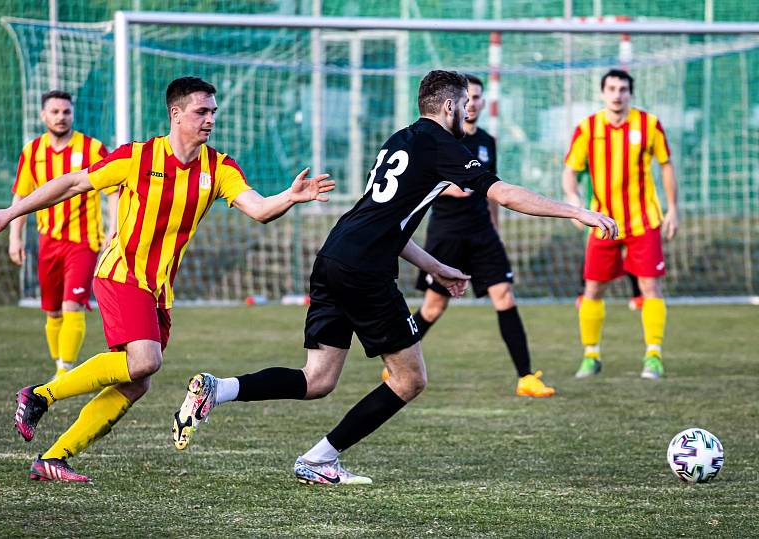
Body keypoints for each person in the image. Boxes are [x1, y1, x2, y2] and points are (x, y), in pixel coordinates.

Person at [172, 70, 617, 486]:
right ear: (448, 108)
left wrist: (437, 268)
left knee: (318, 379)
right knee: (409, 379)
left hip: (334, 254)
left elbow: (388, 221)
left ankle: (219, 389)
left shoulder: (402, 140)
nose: (469, 113)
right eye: (465, 105)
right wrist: (578, 211)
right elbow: (505, 193)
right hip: (364, 270)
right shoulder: (443, 145)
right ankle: (319, 459)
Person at [0, 76, 335, 482]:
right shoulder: (139, 157)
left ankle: (54, 458)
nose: (210, 120)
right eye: (202, 111)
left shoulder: (219, 168)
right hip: (120, 274)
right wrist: (12, 212)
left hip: (158, 290)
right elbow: (73, 183)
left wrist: (289, 196)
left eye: (213, 112)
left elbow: (259, 208)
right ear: (176, 114)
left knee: (136, 382)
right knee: (145, 360)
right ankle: (40, 395)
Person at [401, 74, 554, 398]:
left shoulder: (487, 141)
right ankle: (398, 362)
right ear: (453, 104)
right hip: (447, 234)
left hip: (483, 233)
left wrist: (496, 227)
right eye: (467, 98)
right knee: (432, 309)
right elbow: (421, 184)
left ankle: (526, 377)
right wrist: (447, 188)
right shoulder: (440, 139)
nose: (472, 104)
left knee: (505, 297)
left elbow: (492, 191)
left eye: (478, 98)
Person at [563, 69, 679, 380]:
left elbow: (666, 165)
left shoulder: (649, 124)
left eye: (623, 89)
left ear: (630, 93)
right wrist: (574, 204)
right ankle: (591, 355)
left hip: (644, 221)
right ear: (603, 93)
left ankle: (653, 356)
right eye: (612, 88)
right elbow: (570, 171)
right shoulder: (587, 128)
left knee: (650, 287)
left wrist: (674, 209)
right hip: (603, 222)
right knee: (593, 288)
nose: (617, 94)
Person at [9, 90, 117, 379]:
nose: (61, 117)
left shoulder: (93, 149)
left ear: (73, 114)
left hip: (84, 242)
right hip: (48, 241)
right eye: (54, 112)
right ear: (44, 115)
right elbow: (20, 197)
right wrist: (14, 237)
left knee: (72, 304)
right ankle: (60, 360)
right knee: (53, 311)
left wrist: (113, 229)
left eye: (66, 112)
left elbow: (113, 191)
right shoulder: (32, 152)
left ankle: (64, 370)